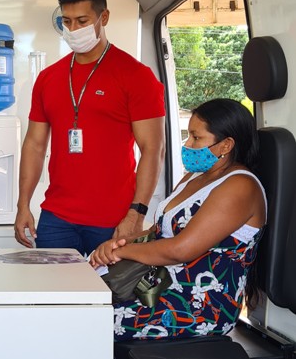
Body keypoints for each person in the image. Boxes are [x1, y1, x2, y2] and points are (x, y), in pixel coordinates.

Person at [14, 0, 166, 256]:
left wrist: (137, 214)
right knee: (54, 299)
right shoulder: (48, 79)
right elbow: (35, 145)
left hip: (115, 220)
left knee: (112, 300)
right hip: (56, 219)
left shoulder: (136, 76)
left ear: (103, 17)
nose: (73, 29)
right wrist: (23, 204)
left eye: (82, 21)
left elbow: (153, 150)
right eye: (67, 21)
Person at [90, 98, 265, 340]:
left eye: (196, 137)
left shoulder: (240, 186)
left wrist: (123, 252)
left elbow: (181, 249)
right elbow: (160, 230)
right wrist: (118, 243)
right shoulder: (196, 177)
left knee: (87, 321)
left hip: (199, 305)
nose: (188, 144)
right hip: (159, 285)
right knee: (79, 304)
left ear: (226, 145)